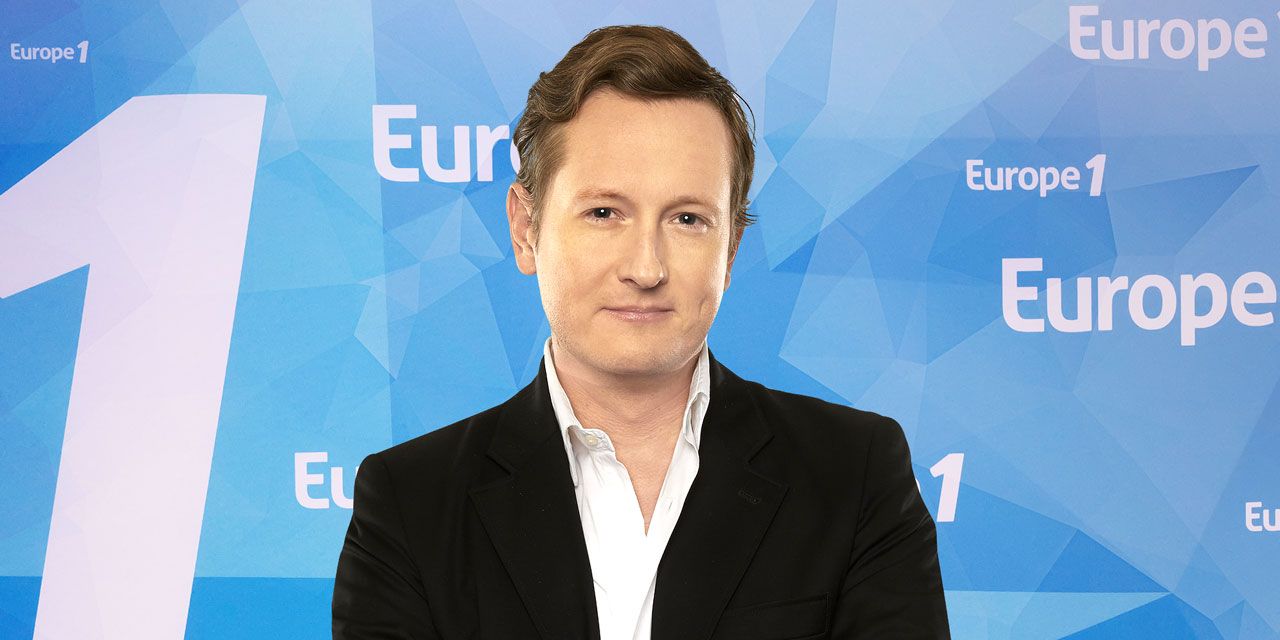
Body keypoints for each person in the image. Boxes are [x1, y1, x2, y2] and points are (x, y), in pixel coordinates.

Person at [333, 24, 949, 640]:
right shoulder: (409, 503)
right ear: (525, 230)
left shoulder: (855, 474)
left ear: (731, 248)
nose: (646, 268)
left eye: (687, 219)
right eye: (604, 213)